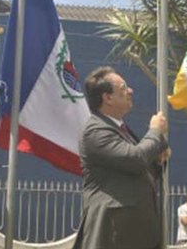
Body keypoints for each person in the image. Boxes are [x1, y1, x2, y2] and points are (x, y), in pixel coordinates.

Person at [73, 66, 170, 249]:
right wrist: (155, 132)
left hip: (135, 233)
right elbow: (135, 159)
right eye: (124, 88)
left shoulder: (120, 129)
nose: (130, 91)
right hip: (114, 234)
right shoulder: (95, 131)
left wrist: (157, 162)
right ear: (107, 97)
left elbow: (136, 170)